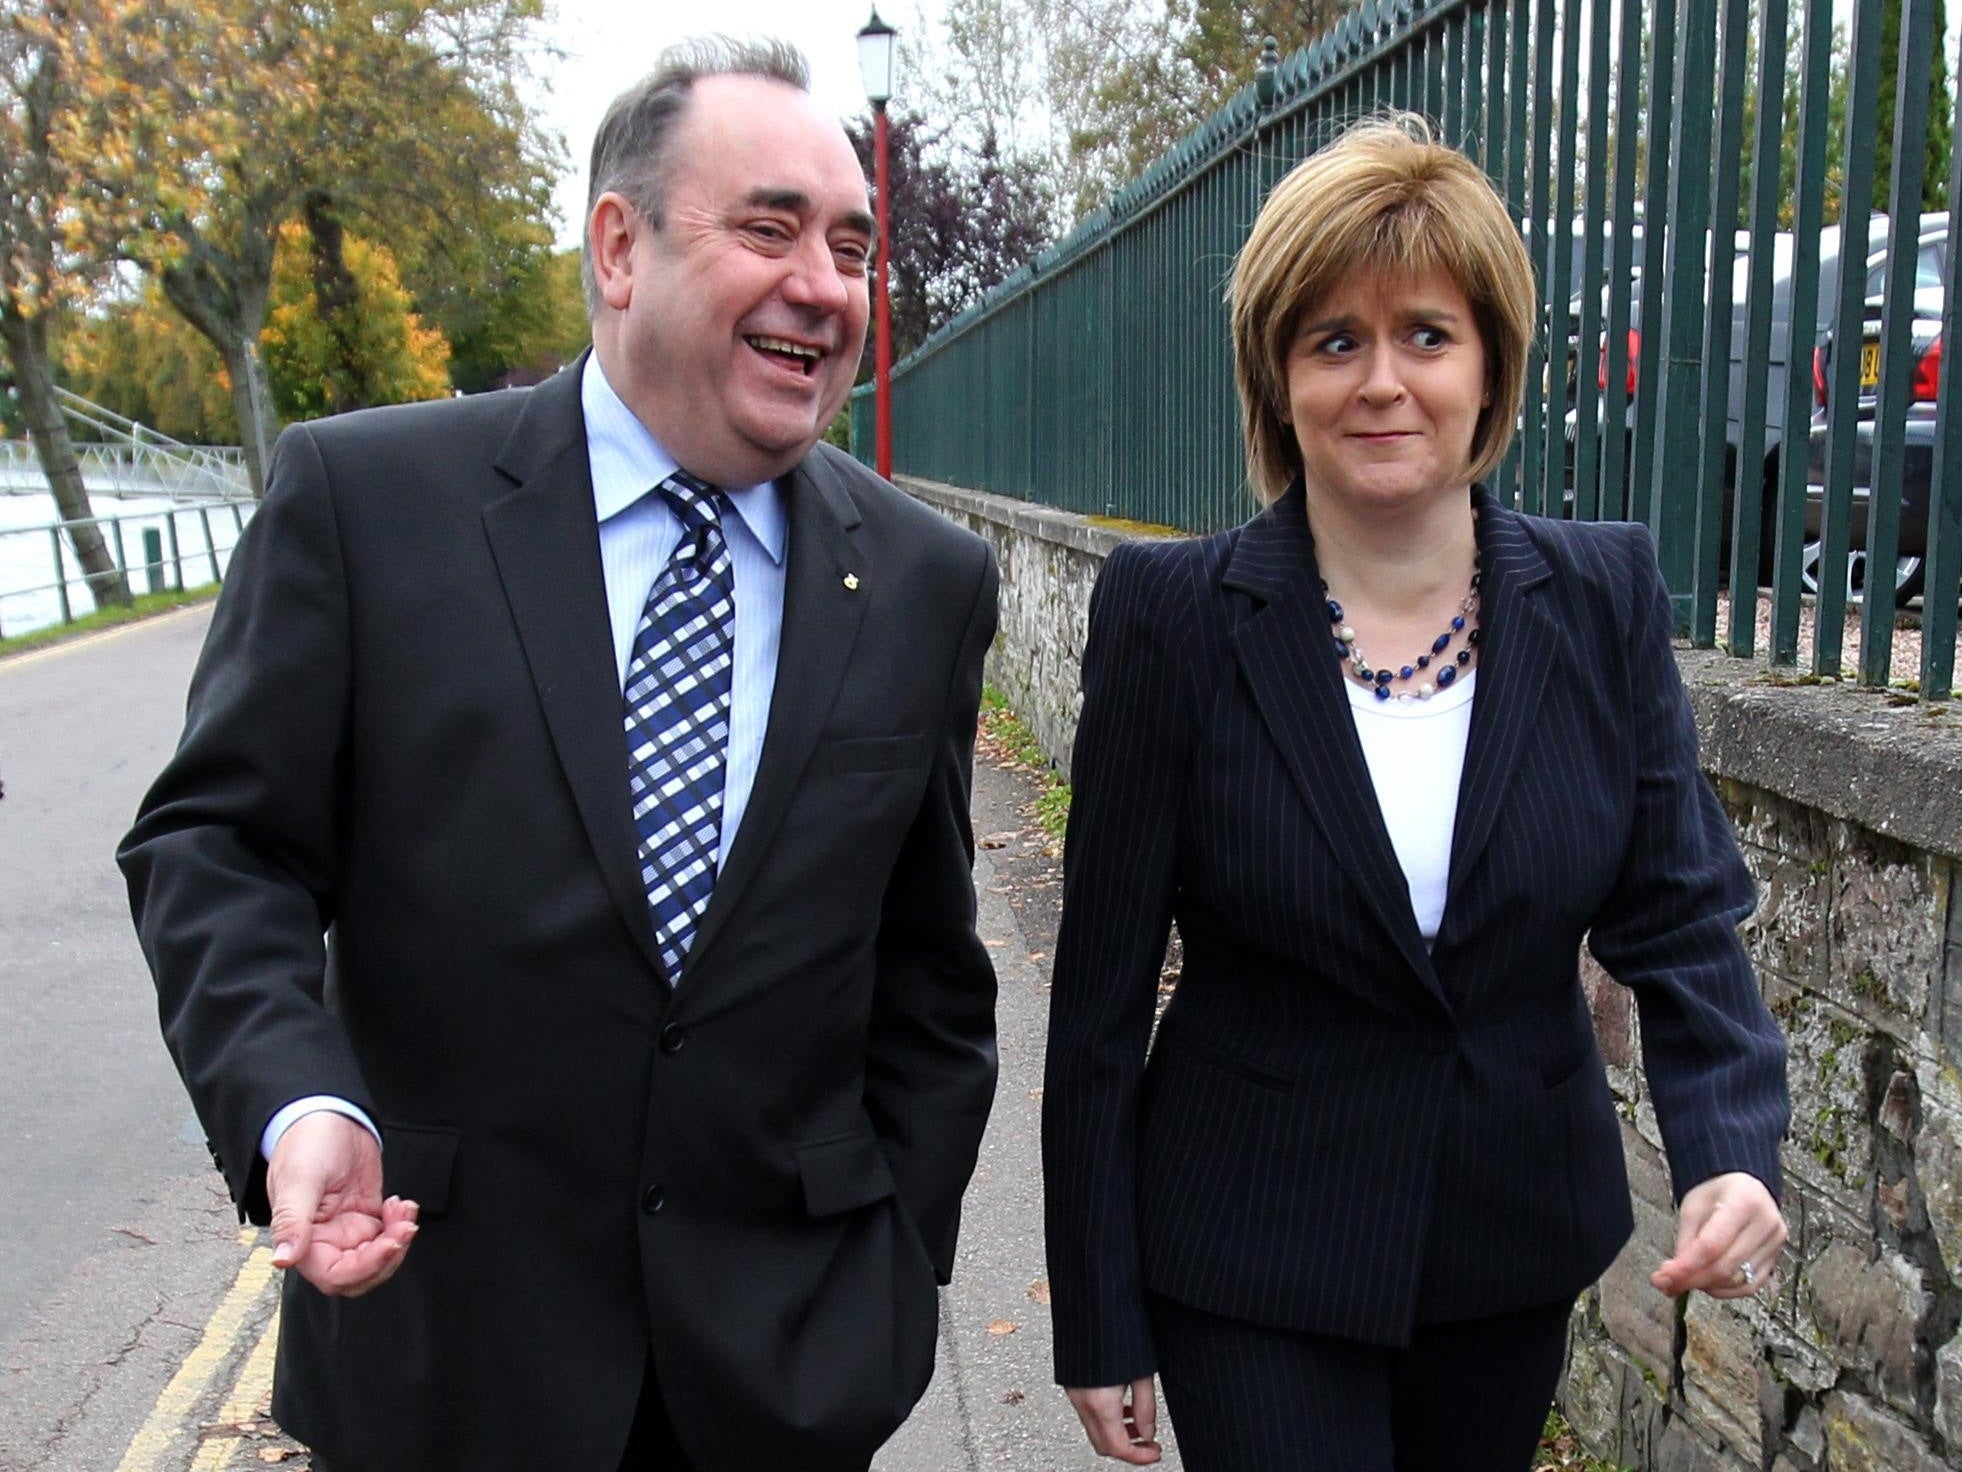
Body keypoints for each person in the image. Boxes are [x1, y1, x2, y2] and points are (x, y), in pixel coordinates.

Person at [119, 37, 1000, 1472]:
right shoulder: (369, 501)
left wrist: (891, 1276)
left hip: (778, 1377)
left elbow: (927, 974)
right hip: (447, 1350)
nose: (826, 288)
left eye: (850, 247)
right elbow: (220, 846)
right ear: (617, 246)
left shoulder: (922, 579)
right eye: (769, 228)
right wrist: (296, 1103)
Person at [1041, 114, 1789, 1471]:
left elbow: (1677, 914)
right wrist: (1096, 1313)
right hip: (1246, 1253)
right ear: (1277, 377)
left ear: (1489, 362)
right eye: (1334, 339)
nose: (1381, 380)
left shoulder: (1599, 594)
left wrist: (1727, 1149)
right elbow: (1095, 1003)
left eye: (1424, 335)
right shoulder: (1173, 620)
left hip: (1504, 1243)